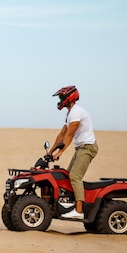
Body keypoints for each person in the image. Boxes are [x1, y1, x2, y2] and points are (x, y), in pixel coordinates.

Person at [50, 85, 98, 220]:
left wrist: (60, 153)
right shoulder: (70, 113)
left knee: (75, 176)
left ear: (69, 98)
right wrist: (50, 151)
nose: (60, 100)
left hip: (87, 147)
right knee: (67, 176)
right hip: (80, 148)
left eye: (61, 97)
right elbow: (62, 133)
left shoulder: (76, 112)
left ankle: (79, 211)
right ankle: (69, 204)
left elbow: (69, 134)